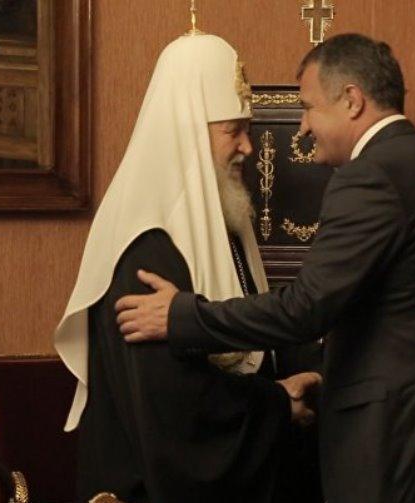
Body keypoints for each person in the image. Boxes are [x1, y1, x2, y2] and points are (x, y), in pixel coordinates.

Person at [116, 33, 415, 503]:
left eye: (308, 107)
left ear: (352, 101)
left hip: (401, 441)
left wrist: (181, 316)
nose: (301, 128)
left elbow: (305, 308)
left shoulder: (371, 176)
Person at [54, 33, 322, 503]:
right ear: (188, 132)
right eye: (233, 130)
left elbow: (259, 332)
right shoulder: (146, 246)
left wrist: (314, 373)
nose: (248, 147)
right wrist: (278, 404)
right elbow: (174, 408)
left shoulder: (222, 220)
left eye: (248, 129)